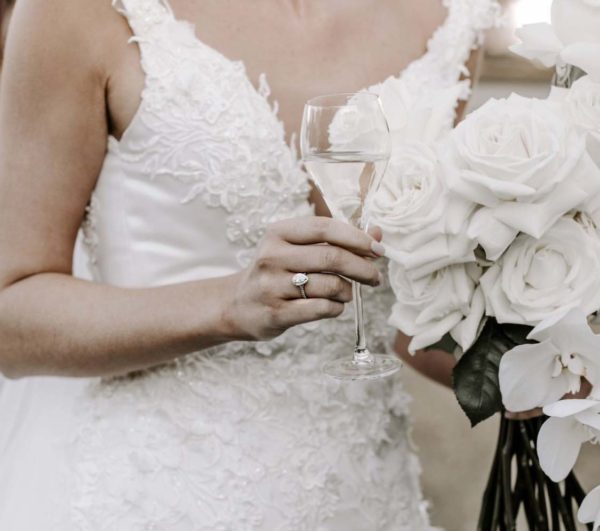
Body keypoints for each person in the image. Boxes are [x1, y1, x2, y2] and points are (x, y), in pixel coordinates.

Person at [0, 0, 499, 528]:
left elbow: (402, 316)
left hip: (363, 491)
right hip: (163, 491)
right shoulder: (78, 11)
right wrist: (227, 305)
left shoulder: (451, 17)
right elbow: (12, 316)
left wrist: (543, 367)